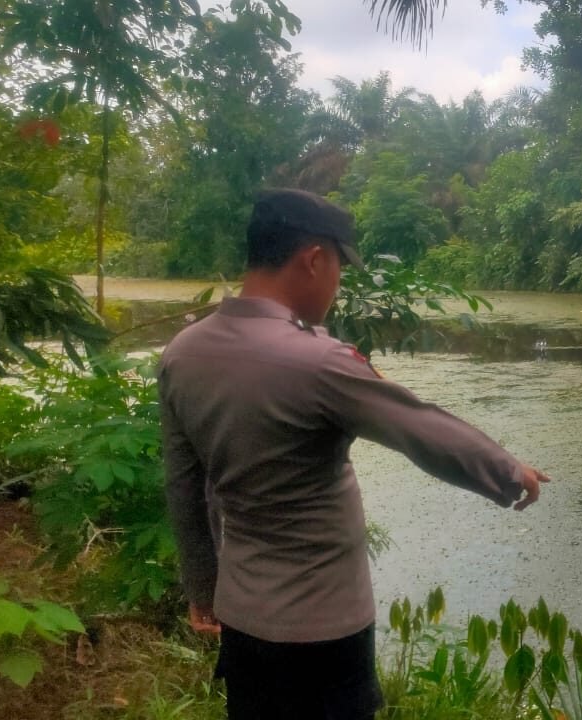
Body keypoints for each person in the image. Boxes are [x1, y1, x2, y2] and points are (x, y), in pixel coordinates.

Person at [159, 188, 550, 720]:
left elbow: (184, 485)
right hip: (324, 628)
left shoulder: (182, 354)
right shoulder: (318, 362)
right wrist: (509, 472)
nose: (337, 285)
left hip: (244, 619)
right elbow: (418, 427)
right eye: (340, 268)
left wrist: (203, 588)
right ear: (314, 260)